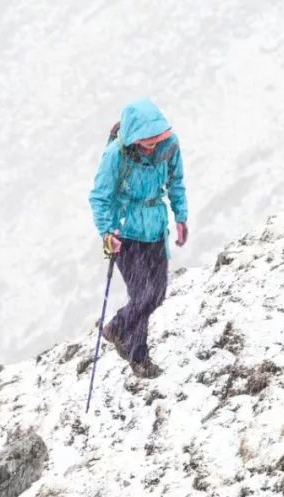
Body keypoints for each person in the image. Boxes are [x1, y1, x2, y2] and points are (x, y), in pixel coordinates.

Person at [89, 97, 188, 379]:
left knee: (156, 294)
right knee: (141, 295)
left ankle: (117, 328)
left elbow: (176, 182)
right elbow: (99, 197)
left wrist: (180, 216)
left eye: (156, 138)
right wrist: (107, 232)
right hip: (126, 234)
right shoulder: (115, 155)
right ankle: (139, 356)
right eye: (147, 140)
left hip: (155, 230)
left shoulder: (170, 147)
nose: (152, 144)